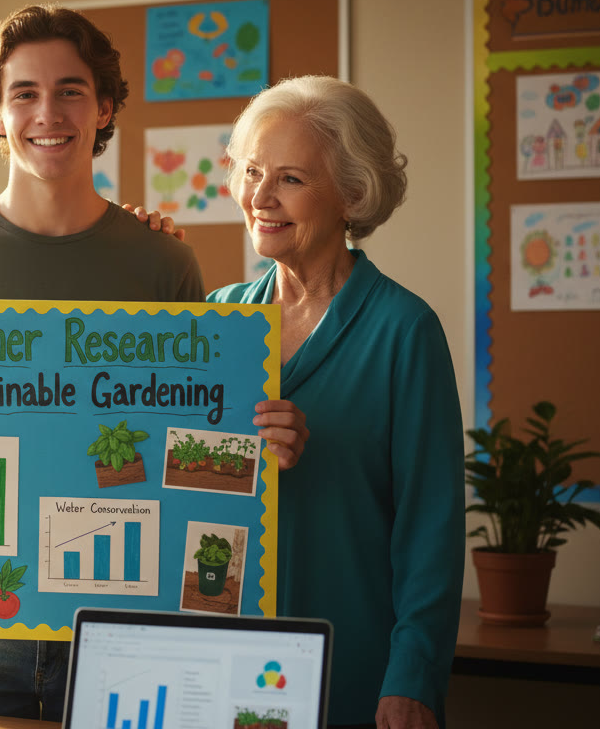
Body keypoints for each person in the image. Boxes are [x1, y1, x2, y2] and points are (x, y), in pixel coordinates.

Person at [0, 5, 309, 721]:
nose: (47, 112)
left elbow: (194, 433)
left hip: (129, 621)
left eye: (71, 90)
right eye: (23, 92)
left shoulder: (164, 261)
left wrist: (263, 440)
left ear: (106, 105)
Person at [137, 75, 463, 729]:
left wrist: (414, 679)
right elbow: (164, 484)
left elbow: (431, 531)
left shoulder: (405, 331)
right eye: (252, 171)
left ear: (352, 192)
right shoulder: (217, 319)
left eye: (289, 178)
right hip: (216, 663)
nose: (260, 197)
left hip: (354, 668)